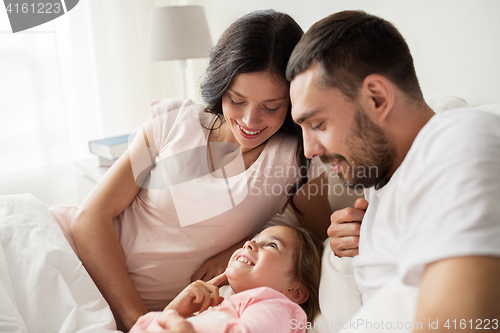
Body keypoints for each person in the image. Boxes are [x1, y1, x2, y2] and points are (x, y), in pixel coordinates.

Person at [49, 9, 331, 331]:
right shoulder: (173, 124)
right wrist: (137, 320)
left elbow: (314, 246)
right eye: (237, 100)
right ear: (221, 84)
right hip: (69, 258)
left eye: (271, 107)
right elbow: (90, 218)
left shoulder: (294, 161)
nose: (250, 121)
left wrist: (236, 251)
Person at [286, 10, 500, 330]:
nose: (310, 150)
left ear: (377, 97)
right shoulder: (380, 184)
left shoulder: (459, 139)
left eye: (318, 124)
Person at [129, 225, 323, 333]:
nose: (249, 244)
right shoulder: (221, 307)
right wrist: (173, 311)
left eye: (272, 245)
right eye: (254, 240)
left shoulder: (278, 306)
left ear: (295, 291)